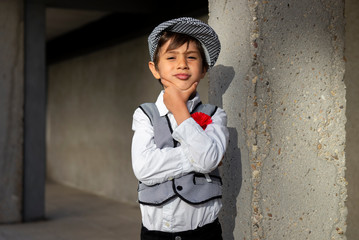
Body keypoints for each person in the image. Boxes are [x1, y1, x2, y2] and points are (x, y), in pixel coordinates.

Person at [131, 17, 229, 240]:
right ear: (155, 69)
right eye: (171, 57)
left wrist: (181, 112)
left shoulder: (215, 115)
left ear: (203, 69)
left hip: (204, 233)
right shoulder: (145, 115)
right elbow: (144, 168)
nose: (182, 64)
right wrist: (199, 157)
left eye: (191, 57)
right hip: (156, 234)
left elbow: (207, 161)